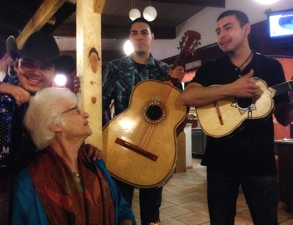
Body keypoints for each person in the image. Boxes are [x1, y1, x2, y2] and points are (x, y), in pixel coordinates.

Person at [181, 10, 293, 225]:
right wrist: (231, 89)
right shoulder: (212, 68)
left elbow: (283, 118)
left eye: (228, 28)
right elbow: (187, 96)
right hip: (220, 163)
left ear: (246, 29)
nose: (221, 35)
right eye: (218, 31)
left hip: (260, 164)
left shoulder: (271, 67)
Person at [9, 87, 136, 225]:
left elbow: (122, 208)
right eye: (75, 110)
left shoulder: (96, 164)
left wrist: (126, 221)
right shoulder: (28, 183)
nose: (86, 114)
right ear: (54, 124)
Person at [102, 17, 185, 225]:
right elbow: (101, 104)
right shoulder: (115, 67)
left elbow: (178, 112)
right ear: (129, 39)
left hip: (154, 148)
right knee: (120, 206)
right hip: (122, 144)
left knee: (152, 210)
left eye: (144, 32)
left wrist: (177, 85)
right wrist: (102, 136)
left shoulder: (166, 72)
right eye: (134, 33)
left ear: (152, 38)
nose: (139, 37)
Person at [0, 31, 102, 171]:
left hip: (35, 184)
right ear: (17, 65)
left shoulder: (58, 105)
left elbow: (60, 141)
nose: (36, 72)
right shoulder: (4, 95)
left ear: (54, 73)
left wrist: (81, 149)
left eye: (45, 67)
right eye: (29, 64)